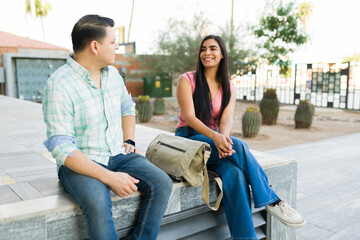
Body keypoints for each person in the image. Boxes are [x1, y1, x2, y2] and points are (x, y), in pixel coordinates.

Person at [42, 15, 172, 240]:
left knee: (162, 182)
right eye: (113, 42)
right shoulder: (59, 85)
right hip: (81, 163)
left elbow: (127, 107)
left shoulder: (113, 75)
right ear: (95, 46)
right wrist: (110, 177)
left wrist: (129, 140)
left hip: (118, 154)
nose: (117, 47)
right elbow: (62, 149)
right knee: (97, 202)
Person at [175, 35, 306, 239]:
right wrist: (217, 138)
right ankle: (271, 201)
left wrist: (223, 142)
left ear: (222, 54)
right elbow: (190, 118)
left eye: (212, 49)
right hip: (190, 138)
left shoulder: (229, 86)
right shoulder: (187, 79)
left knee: (234, 174)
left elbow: (226, 120)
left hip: (214, 141)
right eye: (203, 49)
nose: (207, 53)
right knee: (241, 145)